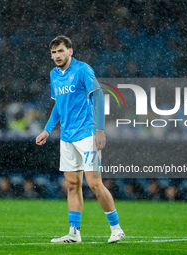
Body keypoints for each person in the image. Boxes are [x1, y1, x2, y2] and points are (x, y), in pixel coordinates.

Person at [36, 36, 125, 243]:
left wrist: (100, 130)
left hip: (86, 135)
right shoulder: (54, 74)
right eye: (53, 53)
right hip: (66, 137)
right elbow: (59, 104)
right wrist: (47, 130)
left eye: (60, 51)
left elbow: (98, 96)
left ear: (70, 51)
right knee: (72, 185)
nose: (56, 56)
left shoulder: (83, 69)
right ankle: (74, 233)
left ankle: (116, 229)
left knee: (94, 184)